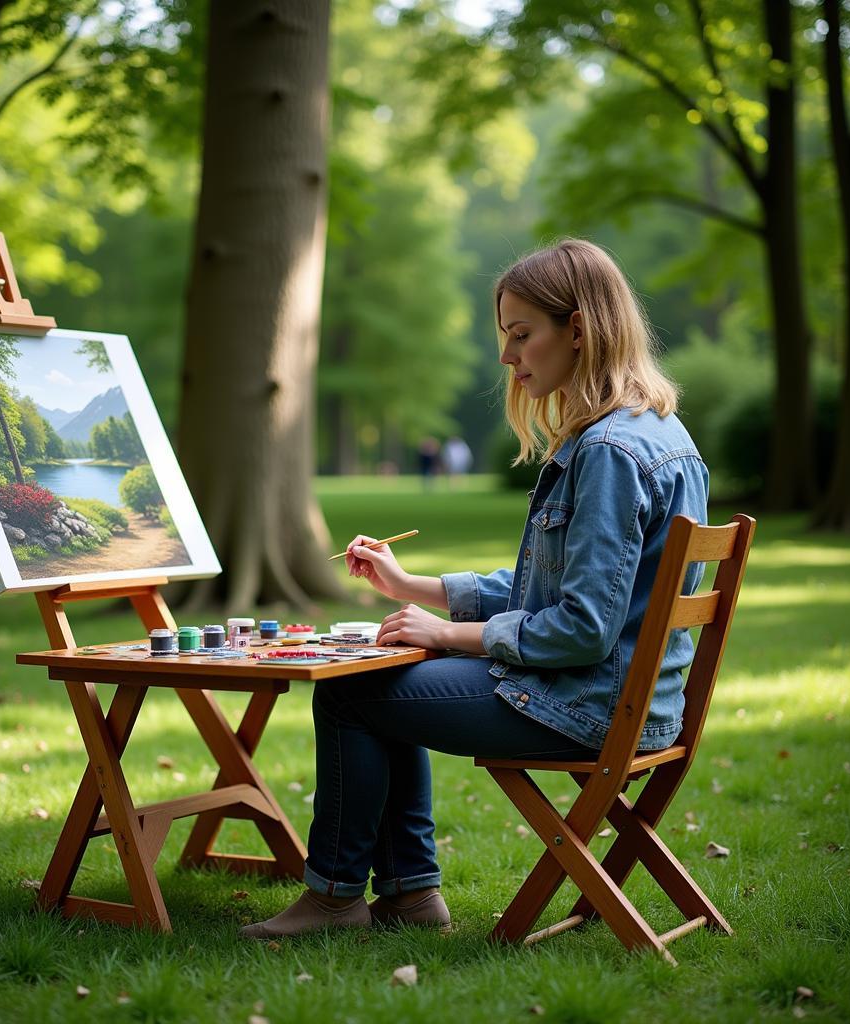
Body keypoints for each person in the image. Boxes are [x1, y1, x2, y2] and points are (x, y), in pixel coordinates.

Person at [240, 238, 708, 939]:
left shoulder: (610, 452)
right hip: (634, 703)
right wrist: (413, 587)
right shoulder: (659, 432)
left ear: (578, 329)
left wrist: (447, 635)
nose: (507, 356)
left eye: (522, 335)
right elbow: (547, 590)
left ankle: (339, 897)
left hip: (589, 705)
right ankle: (407, 895)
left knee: (348, 692)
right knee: (388, 677)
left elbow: (581, 628)